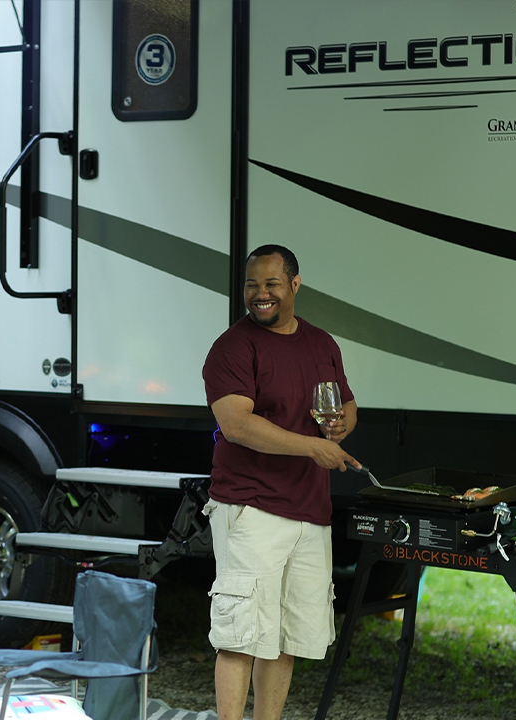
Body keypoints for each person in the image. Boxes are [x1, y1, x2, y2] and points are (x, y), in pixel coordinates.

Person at [201, 244, 359, 720]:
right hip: (251, 509)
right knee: (240, 638)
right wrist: (313, 447)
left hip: (309, 511)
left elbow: (347, 404)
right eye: (252, 285)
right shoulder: (232, 347)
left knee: (285, 638)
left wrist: (339, 427)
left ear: (294, 284)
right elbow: (237, 426)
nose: (260, 294)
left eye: (270, 284)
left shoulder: (322, 343)